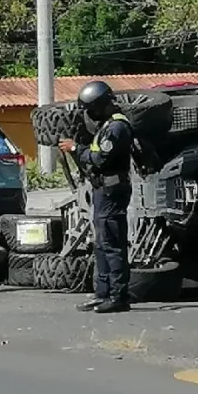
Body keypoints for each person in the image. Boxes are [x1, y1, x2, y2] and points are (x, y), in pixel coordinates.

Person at [58, 81, 133, 314]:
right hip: (102, 191)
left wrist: (74, 149)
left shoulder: (117, 128)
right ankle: (102, 293)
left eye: (92, 109)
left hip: (112, 192)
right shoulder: (106, 126)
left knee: (112, 244)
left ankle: (118, 296)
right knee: (101, 244)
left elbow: (101, 159)